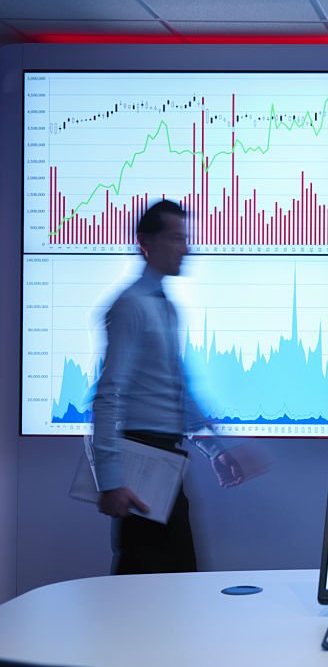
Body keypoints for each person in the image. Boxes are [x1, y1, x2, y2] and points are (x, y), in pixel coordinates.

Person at [91, 200, 243, 575]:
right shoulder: (130, 306)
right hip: (142, 465)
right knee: (147, 583)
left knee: (174, 579)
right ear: (145, 242)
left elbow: (174, 390)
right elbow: (109, 394)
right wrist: (111, 482)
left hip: (166, 462)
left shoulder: (165, 306)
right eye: (176, 238)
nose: (186, 248)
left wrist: (213, 450)